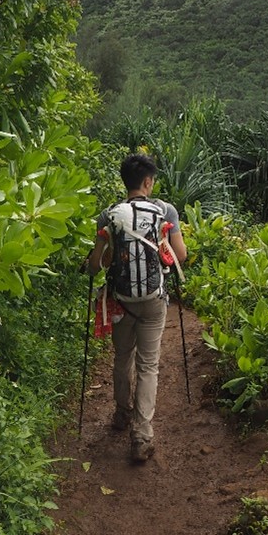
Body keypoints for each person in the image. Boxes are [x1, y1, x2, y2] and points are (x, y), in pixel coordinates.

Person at [85, 153, 187, 463]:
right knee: (148, 365)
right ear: (147, 182)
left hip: (121, 300)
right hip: (154, 302)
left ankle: (121, 413)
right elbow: (180, 255)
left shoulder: (109, 215)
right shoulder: (165, 211)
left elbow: (96, 265)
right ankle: (142, 436)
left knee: (122, 357)